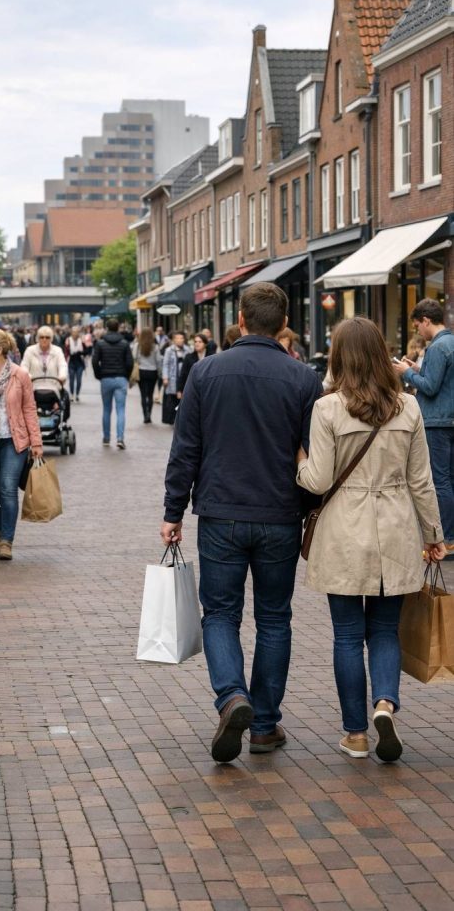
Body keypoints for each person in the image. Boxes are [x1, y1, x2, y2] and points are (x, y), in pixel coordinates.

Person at [160, 283, 322, 763]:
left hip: (221, 512)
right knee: (274, 617)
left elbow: (185, 449)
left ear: (241, 321)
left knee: (220, 613)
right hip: (279, 514)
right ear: (284, 324)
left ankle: (232, 696)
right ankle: (265, 725)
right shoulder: (303, 379)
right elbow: (315, 455)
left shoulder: (206, 372)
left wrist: (173, 511)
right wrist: (306, 505)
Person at [297, 318, 445, 761]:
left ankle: (356, 734)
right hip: (396, 526)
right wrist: (434, 535)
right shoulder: (408, 407)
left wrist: (299, 461)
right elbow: (422, 481)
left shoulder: (327, 408)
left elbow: (318, 479)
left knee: (347, 635)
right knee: (384, 629)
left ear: (339, 356)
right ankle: (384, 703)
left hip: (345, 529)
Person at [0, 329, 43, 561]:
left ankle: (6, 540)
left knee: (7, 488)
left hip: (15, 441)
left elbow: (29, 409)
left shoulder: (20, 375)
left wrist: (36, 441)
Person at [394, 299, 454, 550]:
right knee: (450, 478)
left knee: (440, 481)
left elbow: (429, 387)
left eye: (418, 325)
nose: (418, 331)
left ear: (426, 321)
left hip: (437, 421)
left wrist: (405, 373)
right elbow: (441, 380)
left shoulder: (438, 347)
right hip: (449, 419)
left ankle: (447, 538)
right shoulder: (451, 342)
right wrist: (418, 369)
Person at [92, 317, 133, 449]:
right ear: (118, 327)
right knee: (120, 410)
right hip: (121, 378)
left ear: (107, 328)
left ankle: (106, 437)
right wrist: (126, 375)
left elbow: (95, 361)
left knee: (106, 409)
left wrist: (99, 375)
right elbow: (130, 362)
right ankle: (120, 438)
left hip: (106, 378)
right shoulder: (124, 343)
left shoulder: (100, 343)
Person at [22, 326, 68, 393]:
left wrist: (62, 375)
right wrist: (28, 376)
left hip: (53, 388)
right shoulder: (30, 350)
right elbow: (24, 365)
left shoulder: (57, 350)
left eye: (47, 337)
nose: (44, 339)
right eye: (42, 337)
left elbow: (62, 365)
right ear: (38, 338)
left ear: (51, 339)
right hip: (34, 387)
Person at [132, 327, 162, 424]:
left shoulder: (137, 346)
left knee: (143, 395)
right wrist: (160, 373)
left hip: (141, 372)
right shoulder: (155, 347)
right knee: (150, 394)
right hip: (152, 372)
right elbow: (158, 361)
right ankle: (149, 415)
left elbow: (134, 357)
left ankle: (145, 415)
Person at [161, 331, 190, 426]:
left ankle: (180, 419)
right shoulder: (169, 350)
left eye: (181, 338)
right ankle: (173, 419)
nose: (179, 340)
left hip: (184, 378)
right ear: (174, 340)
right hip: (173, 378)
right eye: (177, 338)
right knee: (172, 399)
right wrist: (165, 377)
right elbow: (165, 364)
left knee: (182, 398)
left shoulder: (188, 350)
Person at [177, 332, 211, 398]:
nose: (197, 344)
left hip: (208, 389)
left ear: (205, 344)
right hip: (193, 390)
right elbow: (183, 374)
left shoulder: (211, 356)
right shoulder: (188, 357)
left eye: (200, 342)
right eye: (195, 342)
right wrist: (179, 390)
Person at [65, 325, 86, 402]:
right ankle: (71, 394)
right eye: (73, 332)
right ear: (71, 333)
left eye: (76, 332)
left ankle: (77, 394)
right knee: (71, 379)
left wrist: (81, 352)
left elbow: (86, 350)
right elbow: (66, 351)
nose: (75, 333)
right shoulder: (68, 340)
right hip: (71, 362)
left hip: (79, 362)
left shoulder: (82, 340)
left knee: (79, 380)